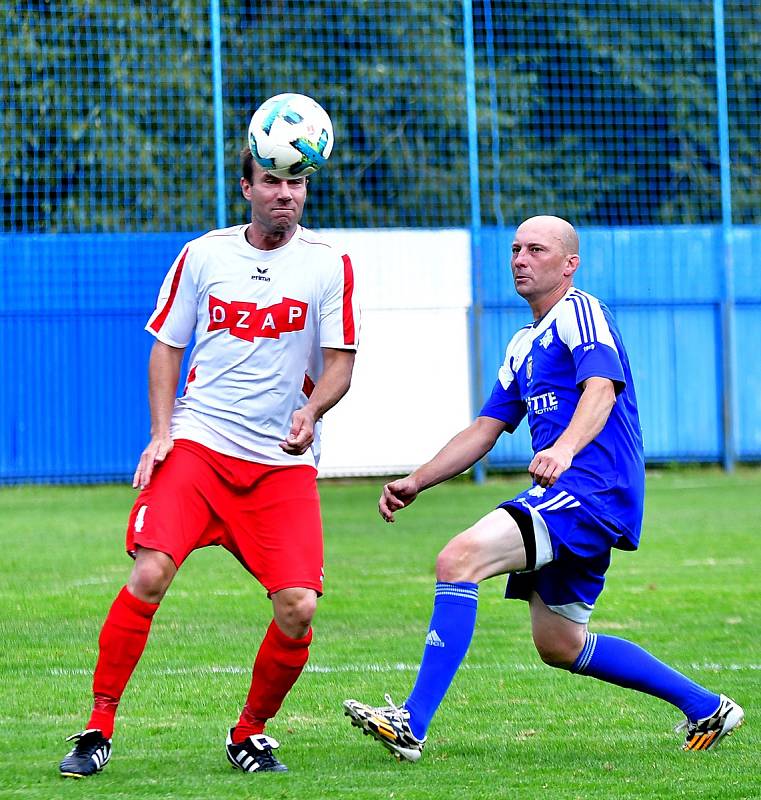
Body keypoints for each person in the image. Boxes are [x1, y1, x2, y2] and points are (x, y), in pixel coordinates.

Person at [343, 215, 743, 762]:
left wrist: (565, 448)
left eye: (536, 249)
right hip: (572, 493)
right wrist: (417, 480)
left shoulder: (581, 313)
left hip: (589, 490)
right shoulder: (522, 344)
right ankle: (707, 707)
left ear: (569, 263)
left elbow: (602, 387)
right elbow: (486, 428)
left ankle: (412, 722)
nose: (520, 259)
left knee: (458, 558)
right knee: (560, 644)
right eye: (514, 250)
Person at [59, 142, 359, 777]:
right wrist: (160, 433)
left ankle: (249, 733)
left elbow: (340, 365)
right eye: (273, 181)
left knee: (299, 606)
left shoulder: (329, 265)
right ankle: (97, 727)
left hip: (280, 464)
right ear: (246, 188)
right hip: (200, 446)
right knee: (149, 573)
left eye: (297, 183)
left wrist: (314, 413)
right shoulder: (203, 254)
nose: (286, 194)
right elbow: (167, 346)